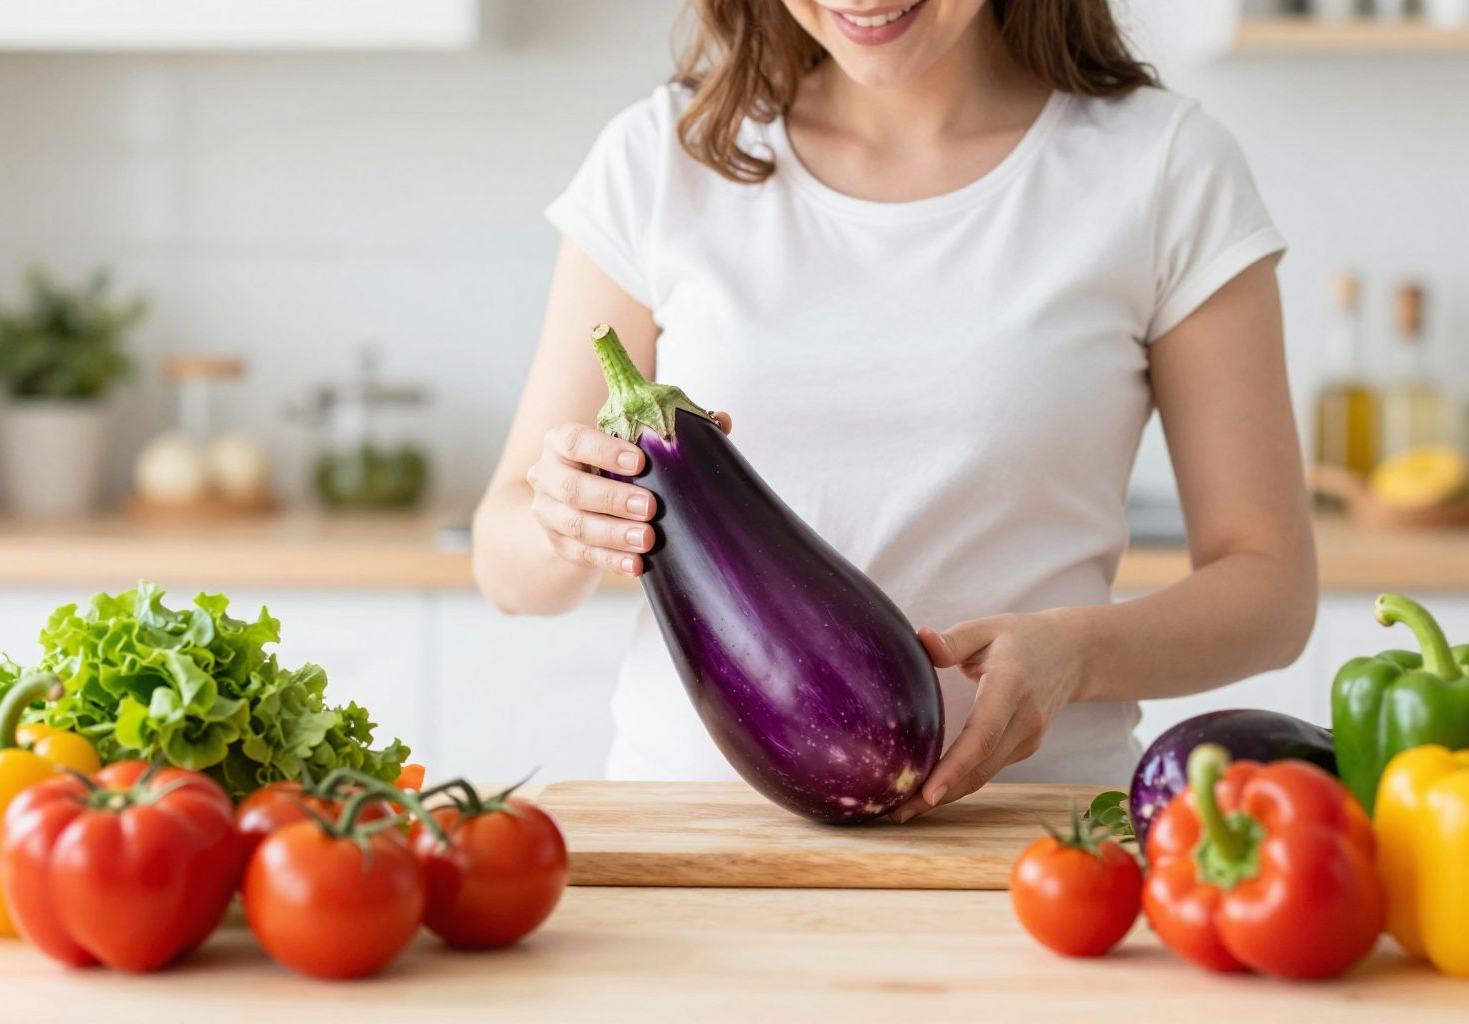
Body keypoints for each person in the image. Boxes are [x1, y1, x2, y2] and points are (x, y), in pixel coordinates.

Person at [473, 0, 1316, 821]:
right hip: (691, 831)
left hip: (1033, 837)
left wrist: (1077, 653)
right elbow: (505, 565)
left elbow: (1271, 591)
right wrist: (567, 521)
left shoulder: (1165, 165)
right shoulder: (661, 157)